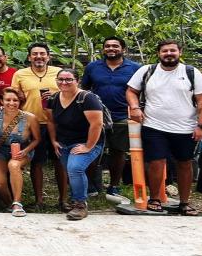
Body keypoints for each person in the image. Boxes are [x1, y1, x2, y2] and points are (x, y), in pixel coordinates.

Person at [125, 40, 202, 215]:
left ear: (180, 52)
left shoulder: (191, 72)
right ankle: (155, 197)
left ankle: (184, 202)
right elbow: (131, 91)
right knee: (156, 162)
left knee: (185, 163)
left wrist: (201, 125)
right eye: (165, 51)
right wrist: (134, 107)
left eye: (173, 50)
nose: (169, 53)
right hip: (153, 125)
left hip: (185, 127)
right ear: (159, 53)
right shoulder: (147, 71)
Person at [80, 36, 141, 198]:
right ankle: (91, 185)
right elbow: (84, 88)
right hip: (97, 116)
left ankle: (114, 185)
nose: (111, 49)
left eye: (115, 46)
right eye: (107, 46)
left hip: (122, 115)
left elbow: (141, 91)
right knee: (92, 149)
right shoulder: (93, 67)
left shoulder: (135, 68)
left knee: (118, 151)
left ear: (123, 49)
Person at [11, 42, 68, 211]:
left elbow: (71, 92)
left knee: (60, 161)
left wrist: (57, 94)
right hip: (32, 123)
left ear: (48, 56)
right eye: (34, 54)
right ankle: (39, 200)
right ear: (29, 57)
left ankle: (63, 199)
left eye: (42, 54)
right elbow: (14, 96)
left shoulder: (58, 73)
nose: (39, 57)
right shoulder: (20, 74)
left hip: (58, 122)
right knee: (37, 162)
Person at [47, 68, 106, 221]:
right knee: (72, 171)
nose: (64, 82)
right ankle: (75, 201)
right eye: (60, 79)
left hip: (88, 141)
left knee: (75, 168)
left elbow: (97, 124)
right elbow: (51, 121)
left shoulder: (87, 98)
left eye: (68, 79)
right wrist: (53, 140)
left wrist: (88, 146)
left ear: (77, 80)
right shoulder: (53, 99)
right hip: (64, 142)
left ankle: (80, 205)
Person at [0, 87, 41, 217]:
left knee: (14, 165)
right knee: (0, 183)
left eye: (15, 100)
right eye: (8, 100)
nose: (11, 103)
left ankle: (18, 203)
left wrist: (25, 151)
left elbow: (36, 139)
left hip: (22, 150)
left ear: (20, 102)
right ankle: (9, 204)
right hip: (0, 150)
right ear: (1, 101)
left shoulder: (30, 118)